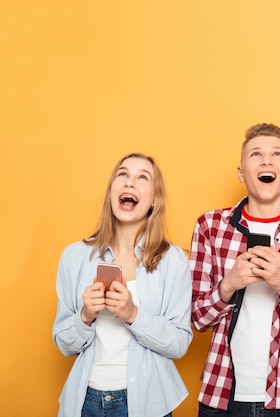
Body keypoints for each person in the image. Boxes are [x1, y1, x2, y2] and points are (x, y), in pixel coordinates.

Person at [190, 123, 280, 416]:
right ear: (241, 172)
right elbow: (197, 318)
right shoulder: (210, 226)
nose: (267, 161)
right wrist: (228, 284)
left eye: (277, 154)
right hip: (221, 394)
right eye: (256, 154)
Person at [52, 153, 192, 417]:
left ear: (153, 200)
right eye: (123, 175)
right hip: (85, 402)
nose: (130, 183)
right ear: (111, 191)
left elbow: (179, 343)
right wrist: (85, 316)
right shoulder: (74, 257)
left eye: (142, 177)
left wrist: (133, 315)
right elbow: (64, 343)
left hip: (149, 403)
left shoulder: (173, 260)